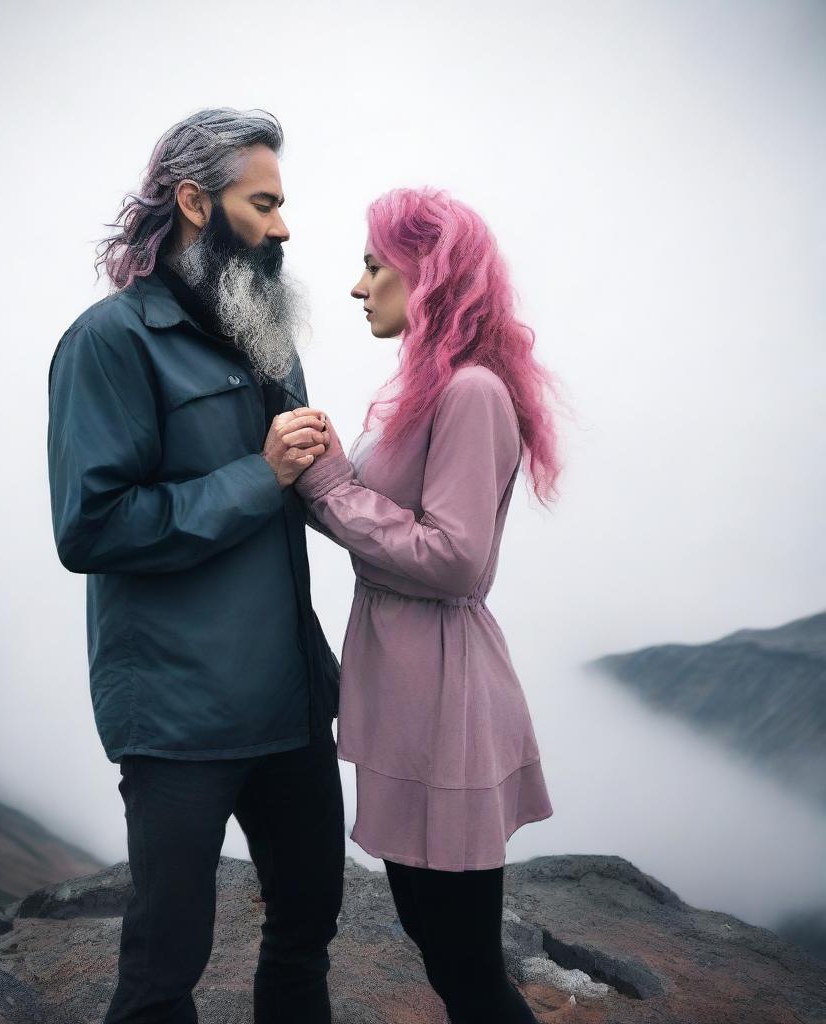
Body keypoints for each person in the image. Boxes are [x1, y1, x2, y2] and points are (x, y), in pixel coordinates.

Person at [46, 107, 345, 1024]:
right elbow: (89, 526)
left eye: (283, 204)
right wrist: (258, 477)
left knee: (307, 929)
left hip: (290, 705)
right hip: (177, 722)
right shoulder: (109, 342)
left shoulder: (269, 338)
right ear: (193, 202)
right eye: (264, 203)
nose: (285, 226)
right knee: (165, 968)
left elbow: (301, 487)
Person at [286, 186, 563, 1023]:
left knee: (466, 966)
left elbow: (455, 558)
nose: (358, 286)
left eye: (375, 266)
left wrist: (330, 484)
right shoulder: (428, 386)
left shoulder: (471, 392)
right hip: (408, 691)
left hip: (445, 699)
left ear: (427, 275)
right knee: (440, 946)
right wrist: (324, 470)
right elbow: (379, 521)